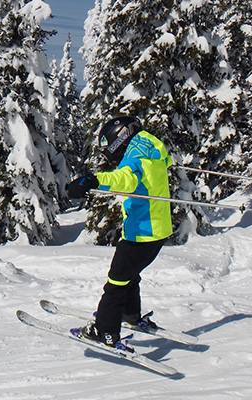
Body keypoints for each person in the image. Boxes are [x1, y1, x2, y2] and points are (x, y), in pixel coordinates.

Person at [66, 116, 173, 348]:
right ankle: (130, 315)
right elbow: (163, 163)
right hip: (157, 230)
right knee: (130, 275)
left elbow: (124, 178)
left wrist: (92, 181)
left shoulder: (134, 156)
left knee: (115, 283)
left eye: (108, 148)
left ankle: (104, 331)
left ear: (119, 138)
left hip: (142, 233)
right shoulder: (149, 145)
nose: (109, 155)